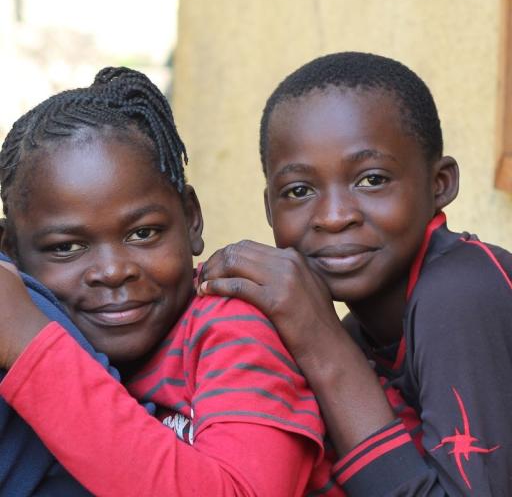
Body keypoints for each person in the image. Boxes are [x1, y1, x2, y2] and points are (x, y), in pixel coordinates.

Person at [0, 67, 331, 496]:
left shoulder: (230, 329)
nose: (114, 270)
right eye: (66, 247)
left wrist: (30, 345)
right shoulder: (74, 335)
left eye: (143, 233)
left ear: (191, 220)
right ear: (11, 250)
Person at [197, 52, 512, 496]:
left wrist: (322, 344)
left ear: (439, 184)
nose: (334, 216)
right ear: (270, 209)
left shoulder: (461, 292)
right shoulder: (362, 329)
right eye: (299, 190)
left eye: (372, 180)